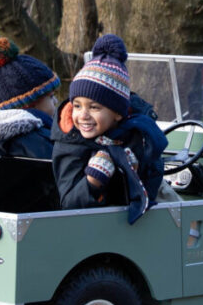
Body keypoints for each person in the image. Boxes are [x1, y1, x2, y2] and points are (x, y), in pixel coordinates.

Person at [53, 34, 170, 220]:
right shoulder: (71, 143)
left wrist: (137, 168)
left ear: (117, 113)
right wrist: (93, 179)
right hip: (94, 225)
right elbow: (69, 203)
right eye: (77, 105)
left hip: (142, 210)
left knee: (179, 210)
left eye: (94, 107)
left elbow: (154, 172)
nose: (83, 115)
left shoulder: (139, 133)